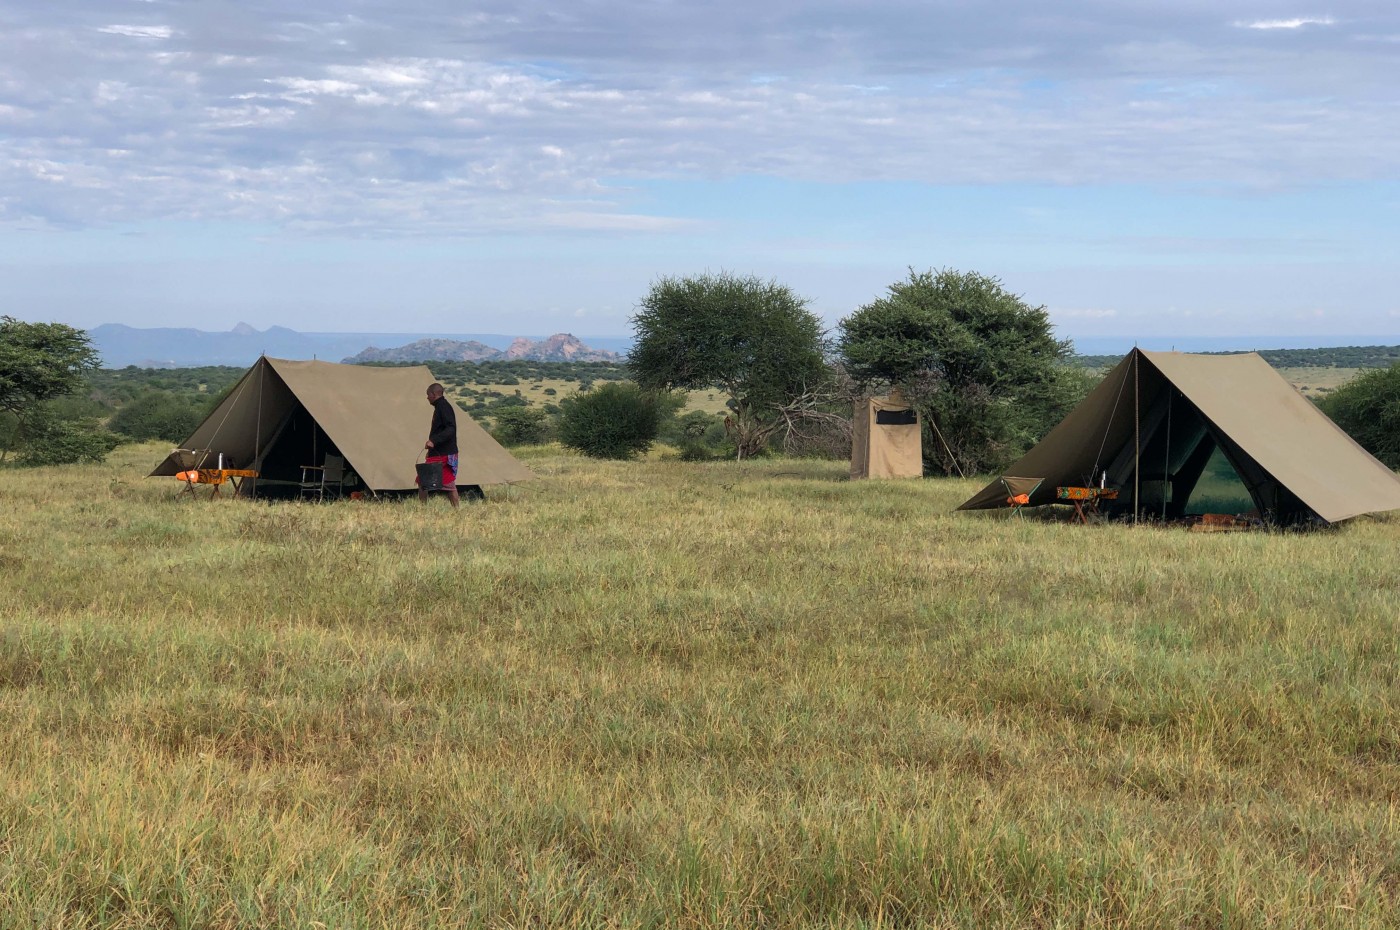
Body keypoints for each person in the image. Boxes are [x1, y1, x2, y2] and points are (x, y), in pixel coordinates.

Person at [419, 382, 461, 508]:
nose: (427, 398)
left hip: (444, 453)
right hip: (442, 452)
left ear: (433, 394)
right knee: (448, 483)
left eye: (428, 395)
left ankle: (423, 509)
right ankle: (457, 510)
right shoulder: (441, 406)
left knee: (424, 479)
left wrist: (434, 441)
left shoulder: (443, 407)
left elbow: (450, 428)